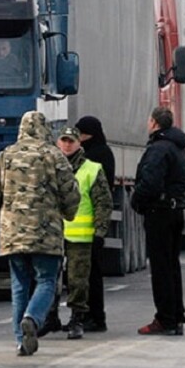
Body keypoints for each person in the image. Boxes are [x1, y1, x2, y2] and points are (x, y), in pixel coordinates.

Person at [0, 110, 80, 357]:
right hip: (46, 233)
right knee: (46, 280)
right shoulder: (54, 156)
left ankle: (20, 340)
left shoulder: (6, 156)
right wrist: (68, 213)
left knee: (19, 285)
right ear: (46, 130)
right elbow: (71, 194)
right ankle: (33, 319)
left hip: (13, 234)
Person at [132, 106, 185, 336]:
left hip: (160, 212)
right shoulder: (179, 147)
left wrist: (137, 200)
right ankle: (176, 316)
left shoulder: (158, 149)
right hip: (176, 210)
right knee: (172, 265)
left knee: (161, 268)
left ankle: (165, 319)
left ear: (155, 123)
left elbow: (151, 182)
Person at [55, 125, 112, 340]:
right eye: (64, 140)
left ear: (79, 143)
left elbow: (103, 203)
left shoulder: (92, 169)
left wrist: (100, 232)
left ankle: (77, 318)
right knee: (50, 279)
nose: (67, 144)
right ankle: (50, 317)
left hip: (81, 236)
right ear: (57, 143)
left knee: (78, 281)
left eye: (71, 141)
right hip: (53, 235)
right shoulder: (50, 167)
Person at [75, 115, 115, 333]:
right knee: (87, 274)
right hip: (87, 224)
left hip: (91, 224)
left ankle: (95, 317)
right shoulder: (102, 152)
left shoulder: (95, 156)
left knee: (91, 274)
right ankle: (90, 315)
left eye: (81, 134)